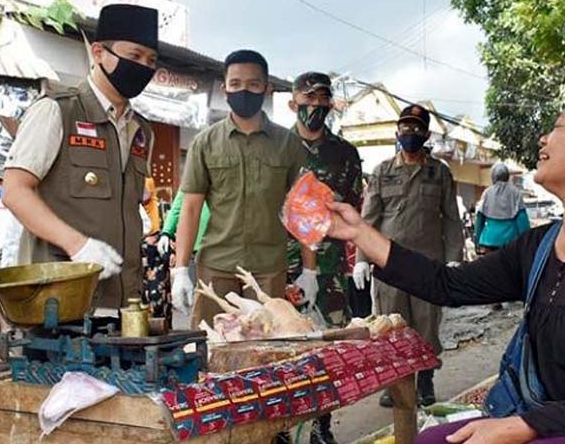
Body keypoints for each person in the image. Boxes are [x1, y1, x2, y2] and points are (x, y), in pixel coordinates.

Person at [326, 93, 565, 444]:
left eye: (558, 127)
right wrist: (359, 233)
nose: (544, 139)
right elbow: (448, 285)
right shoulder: (540, 245)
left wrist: (519, 427)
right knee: (431, 441)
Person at [3, 4, 158, 310]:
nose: (143, 67)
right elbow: (15, 191)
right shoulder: (57, 110)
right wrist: (78, 244)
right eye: (134, 56)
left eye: (151, 60)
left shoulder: (142, 131)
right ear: (99, 52)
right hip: (60, 298)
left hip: (123, 300)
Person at [172, 49, 305, 327]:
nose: (244, 91)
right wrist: (181, 269)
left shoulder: (288, 144)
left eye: (253, 84)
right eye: (235, 84)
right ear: (225, 88)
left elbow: (302, 209)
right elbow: (191, 208)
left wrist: (311, 270)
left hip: (268, 267)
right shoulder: (205, 143)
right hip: (216, 266)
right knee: (213, 346)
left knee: (267, 349)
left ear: (266, 89)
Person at [353, 104, 464, 408]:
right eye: (406, 128)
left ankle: (425, 382)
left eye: (417, 129)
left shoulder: (439, 172)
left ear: (426, 135)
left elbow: (452, 218)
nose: (410, 134)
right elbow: (368, 220)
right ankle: (395, 385)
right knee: (391, 324)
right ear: (397, 132)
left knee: (426, 323)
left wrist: (455, 256)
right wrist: (361, 258)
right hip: (389, 263)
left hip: (429, 263)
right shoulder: (382, 172)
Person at [284, 71, 363, 444]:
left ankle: (321, 426)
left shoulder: (345, 154)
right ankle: (282, 427)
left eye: (321, 99)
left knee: (326, 348)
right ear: (293, 102)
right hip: (281, 266)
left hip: (329, 267)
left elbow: (351, 208)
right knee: (281, 347)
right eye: (307, 98)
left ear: (331, 104)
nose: (314, 105)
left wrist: (358, 256)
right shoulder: (277, 147)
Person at [475, 162, 531, 253]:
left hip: (489, 240)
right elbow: (522, 222)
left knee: (490, 267)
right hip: (511, 242)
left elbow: (479, 219)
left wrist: (477, 240)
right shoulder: (515, 193)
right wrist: (527, 243)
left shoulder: (487, 193)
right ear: (507, 176)